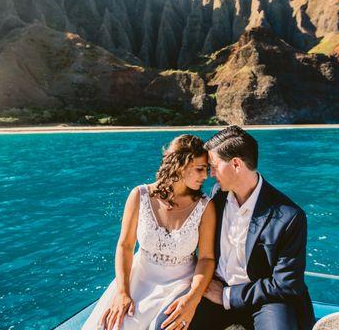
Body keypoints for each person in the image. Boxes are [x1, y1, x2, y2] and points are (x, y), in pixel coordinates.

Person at [158, 125, 315, 329]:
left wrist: (226, 295)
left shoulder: (289, 216)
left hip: (266, 300)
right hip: (214, 288)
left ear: (236, 164)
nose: (211, 174)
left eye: (214, 166)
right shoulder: (217, 198)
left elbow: (286, 285)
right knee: (166, 325)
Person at [82, 134, 216, 330]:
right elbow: (125, 246)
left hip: (180, 282)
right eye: (200, 169)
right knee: (113, 325)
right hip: (139, 279)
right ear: (179, 165)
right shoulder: (140, 195)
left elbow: (206, 259)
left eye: (207, 169)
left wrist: (193, 298)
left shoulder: (205, 207)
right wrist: (122, 292)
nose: (205, 176)